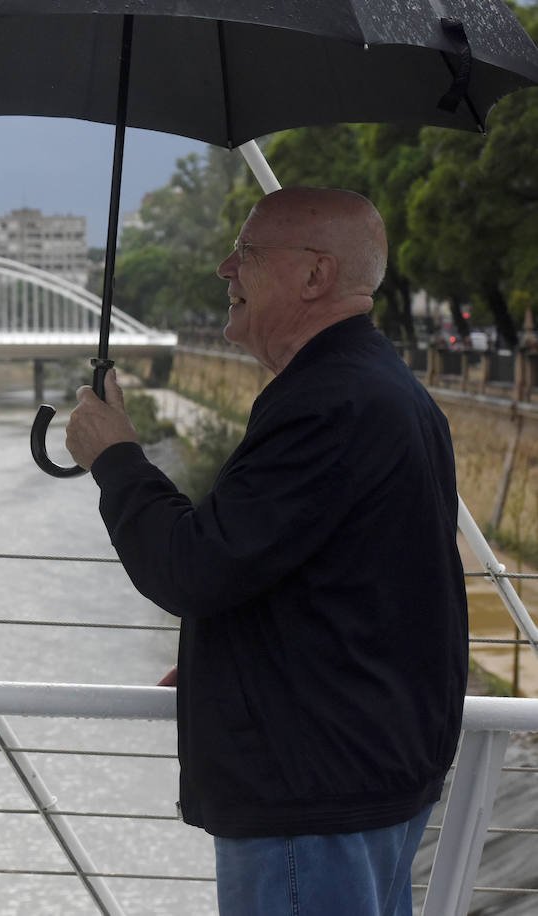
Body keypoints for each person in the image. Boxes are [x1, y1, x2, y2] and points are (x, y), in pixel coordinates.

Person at [65, 188, 467, 916]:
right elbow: (363, 584)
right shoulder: (380, 388)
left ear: (314, 276)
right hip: (364, 774)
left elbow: (192, 567)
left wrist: (118, 459)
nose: (226, 268)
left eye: (247, 253)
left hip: (310, 793)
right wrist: (234, 654)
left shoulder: (326, 404)